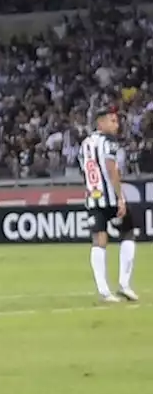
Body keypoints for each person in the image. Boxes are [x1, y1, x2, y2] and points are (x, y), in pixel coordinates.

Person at [79, 104, 137, 302]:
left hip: (93, 196)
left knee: (99, 239)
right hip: (110, 197)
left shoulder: (85, 143)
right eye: (112, 120)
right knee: (128, 232)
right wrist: (120, 197)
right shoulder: (108, 142)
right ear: (100, 122)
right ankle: (124, 284)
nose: (117, 124)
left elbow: (84, 169)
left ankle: (104, 290)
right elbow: (112, 169)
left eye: (117, 120)